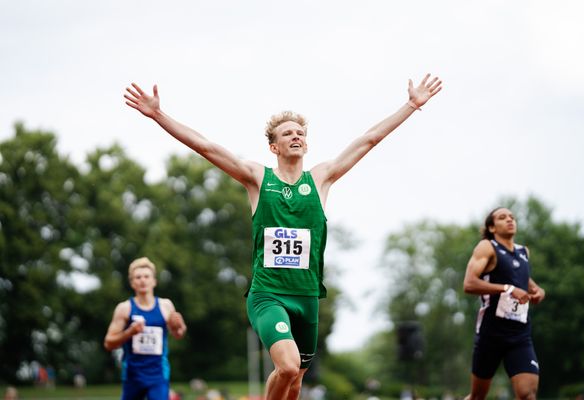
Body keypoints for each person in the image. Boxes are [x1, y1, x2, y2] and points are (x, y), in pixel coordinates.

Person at [124, 74, 442, 400]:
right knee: (287, 367)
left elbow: (369, 139)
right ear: (274, 146)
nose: (296, 136)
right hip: (268, 294)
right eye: (287, 133)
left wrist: (411, 105)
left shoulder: (320, 179)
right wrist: (158, 114)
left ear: (306, 143)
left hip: (306, 297)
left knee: (295, 383)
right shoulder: (257, 179)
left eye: (301, 133)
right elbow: (205, 146)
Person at [463, 207, 546, 400]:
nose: (510, 220)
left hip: (519, 335)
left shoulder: (523, 251)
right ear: (492, 227)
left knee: (527, 395)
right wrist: (507, 289)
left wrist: (539, 291)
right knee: (477, 397)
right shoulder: (487, 247)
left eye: (512, 217)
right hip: (491, 334)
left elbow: (523, 279)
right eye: (502, 218)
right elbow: (469, 283)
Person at [104, 257, 187, 400]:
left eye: (146, 276)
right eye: (138, 277)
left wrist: (179, 325)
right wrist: (129, 332)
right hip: (133, 374)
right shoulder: (125, 309)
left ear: (154, 281)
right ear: (132, 283)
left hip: (158, 374)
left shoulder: (165, 306)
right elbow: (108, 343)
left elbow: (178, 334)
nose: (143, 280)